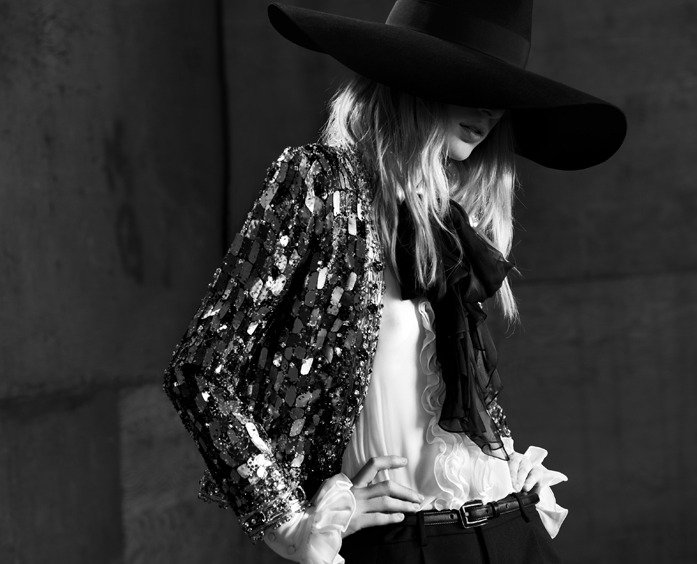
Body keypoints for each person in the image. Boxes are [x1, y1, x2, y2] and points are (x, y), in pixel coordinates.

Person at [163, 1, 626, 563]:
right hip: (404, 545)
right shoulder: (323, 184)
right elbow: (199, 370)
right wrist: (289, 522)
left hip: (513, 530)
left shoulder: (447, 218)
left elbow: (443, 395)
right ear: (413, 77)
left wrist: (505, 462)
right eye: (471, 84)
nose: (489, 110)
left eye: (503, 95)